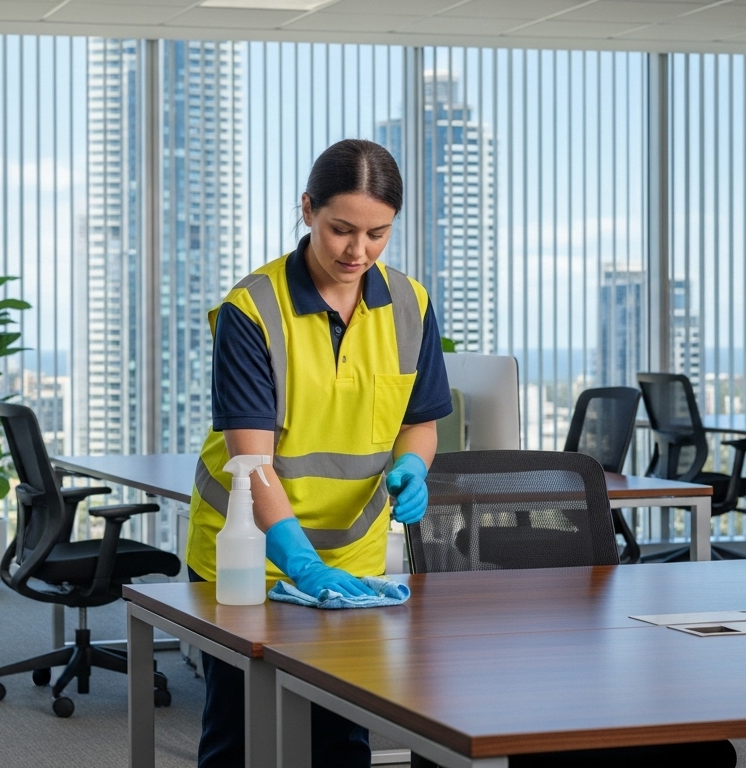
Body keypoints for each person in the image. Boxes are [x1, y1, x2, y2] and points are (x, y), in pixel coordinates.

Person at [186, 139, 452, 767]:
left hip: (352, 563)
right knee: (240, 736)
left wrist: (413, 465)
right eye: (341, 230)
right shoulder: (252, 309)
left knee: (339, 739)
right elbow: (252, 463)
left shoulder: (410, 305)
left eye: (378, 233)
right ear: (306, 210)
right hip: (249, 558)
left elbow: (420, 421)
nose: (357, 251)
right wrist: (302, 567)